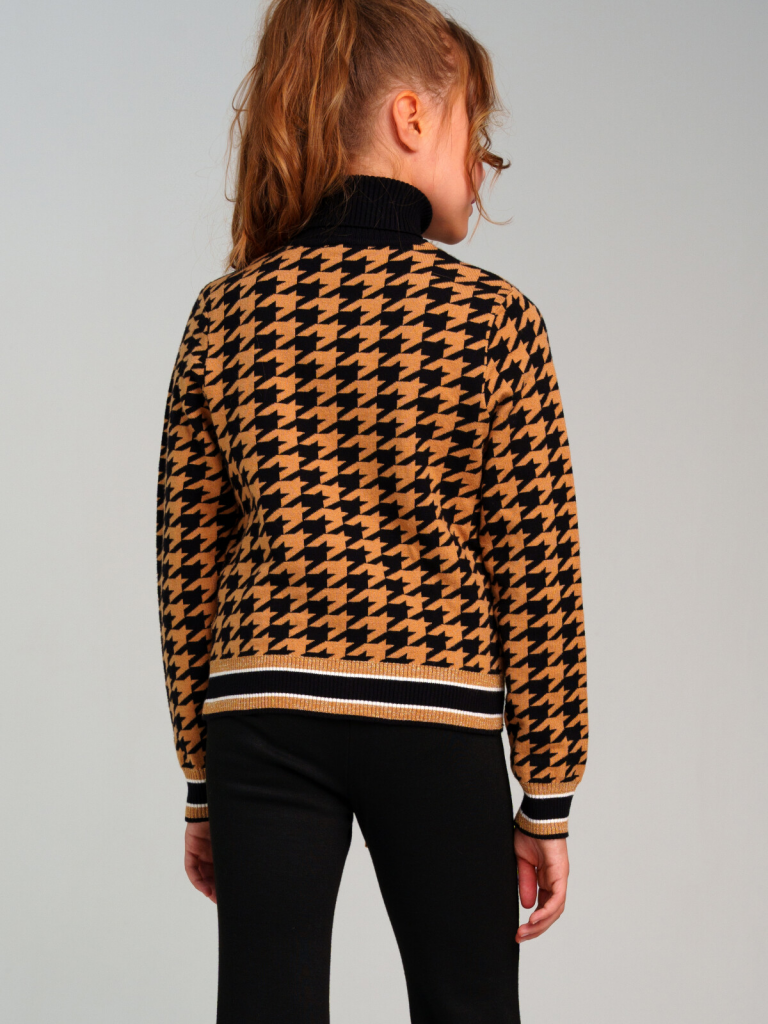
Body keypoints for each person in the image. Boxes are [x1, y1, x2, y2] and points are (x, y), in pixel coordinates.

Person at [156, 0, 589, 1020]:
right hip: (434, 710)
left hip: (262, 708)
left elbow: (187, 563)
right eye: (477, 133)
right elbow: (538, 571)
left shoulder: (225, 316)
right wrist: (547, 793)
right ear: (411, 118)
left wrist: (202, 779)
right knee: (467, 1004)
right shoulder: (494, 321)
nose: (484, 165)